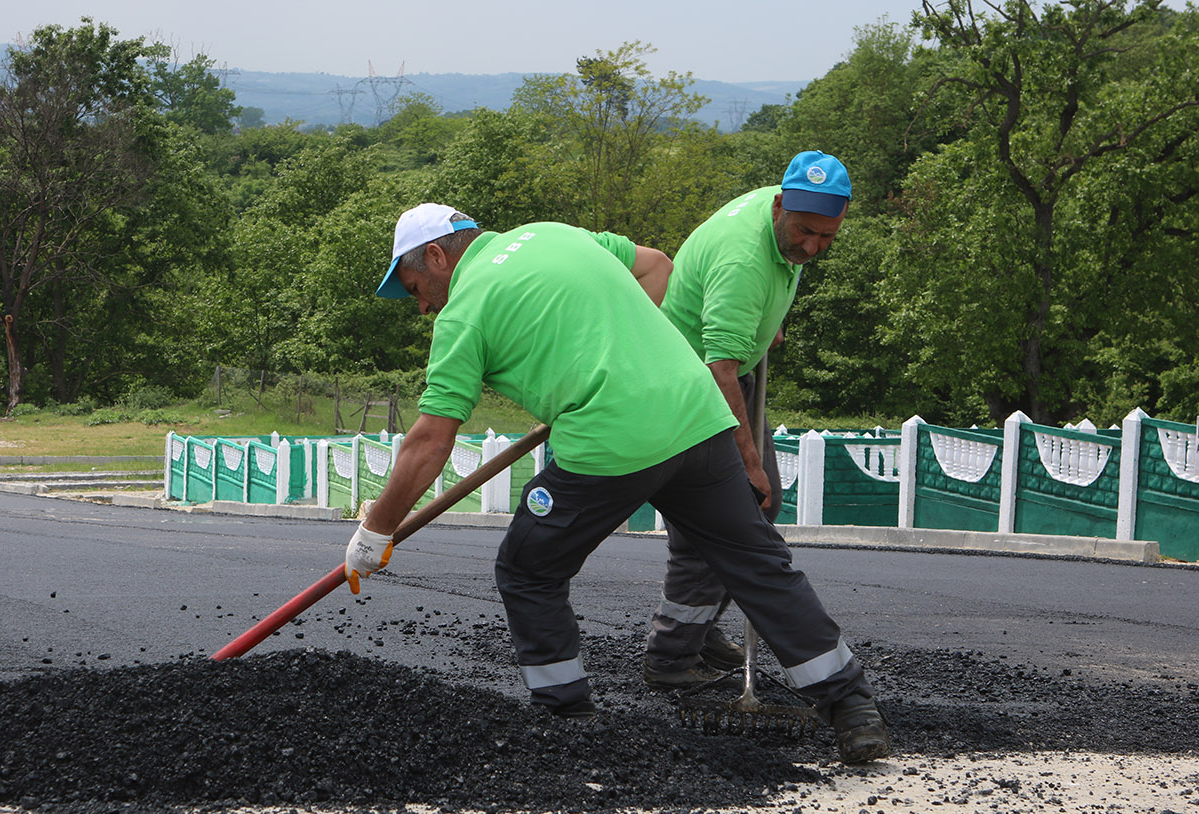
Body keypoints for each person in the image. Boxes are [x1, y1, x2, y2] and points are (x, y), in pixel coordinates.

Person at [344, 202, 888, 764]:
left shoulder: (464, 311)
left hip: (610, 441)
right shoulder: (550, 231)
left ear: (436, 254)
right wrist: (618, 350)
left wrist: (375, 531)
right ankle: (853, 709)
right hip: (696, 415)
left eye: (416, 289)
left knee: (528, 568)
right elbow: (658, 268)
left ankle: (566, 717)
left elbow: (430, 440)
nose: (425, 305)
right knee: (756, 562)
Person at [644, 150, 851, 687]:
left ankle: (699, 628)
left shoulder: (777, 220)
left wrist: (766, 324)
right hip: (694, 385)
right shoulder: (745, 259)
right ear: (781, 206)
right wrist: (749, 459)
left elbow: (756, 297)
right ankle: (670, 658)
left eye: (826, 238)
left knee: (758, 505)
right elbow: (719, 365)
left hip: (726, 368)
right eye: (804, 232)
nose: (811, 247)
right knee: (725, 514)